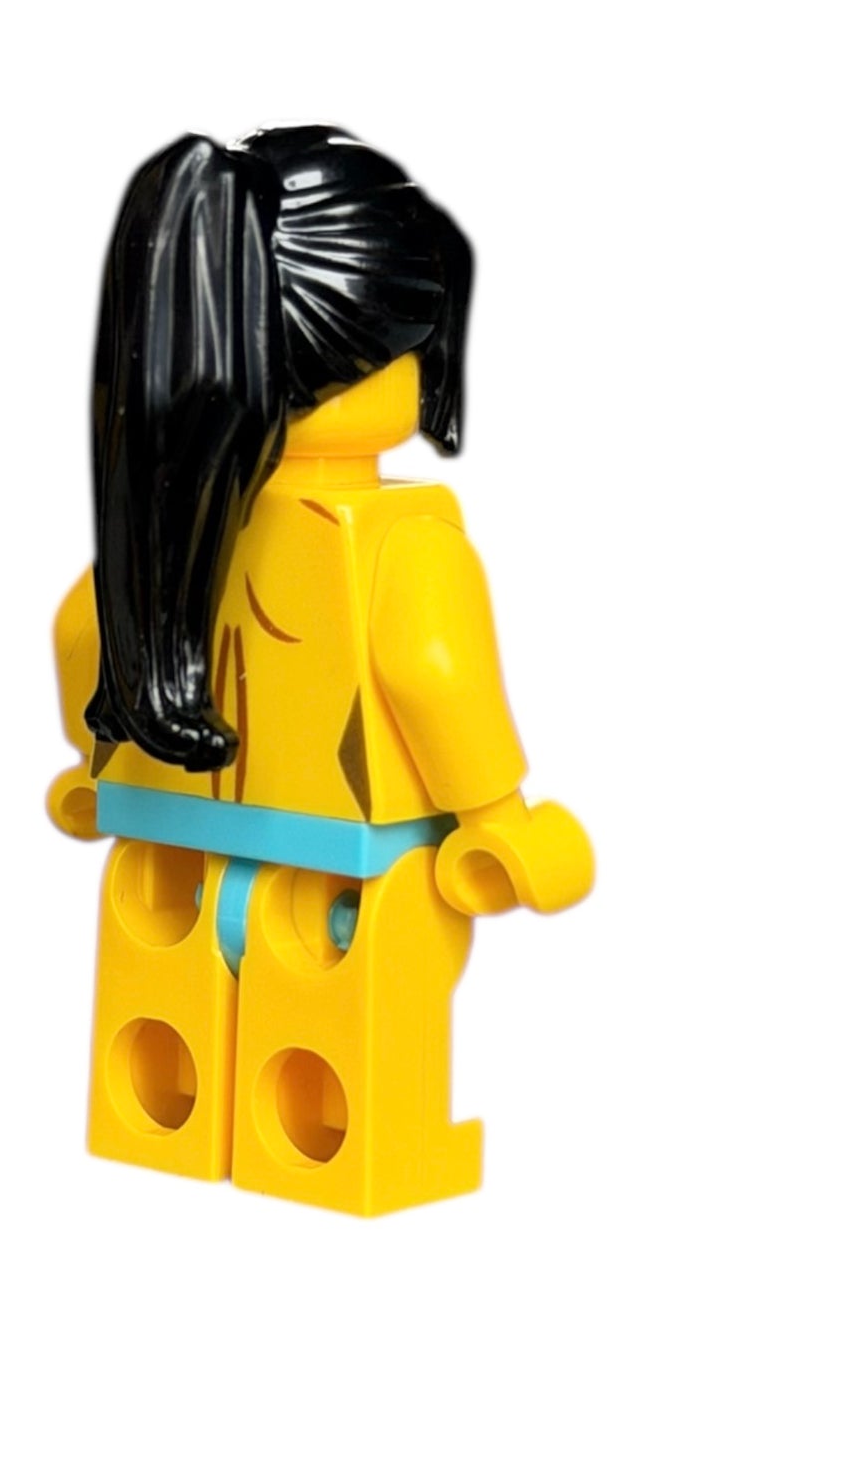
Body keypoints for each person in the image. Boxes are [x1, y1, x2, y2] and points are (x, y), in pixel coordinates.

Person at [47, 127, 594, 1216]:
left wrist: (93, 757)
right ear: (371, 353)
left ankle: (170, 1125)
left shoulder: (170, 525)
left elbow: (82, 635)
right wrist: (502, 819)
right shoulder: (399, 541)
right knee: (337, 1052)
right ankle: (319, 1154)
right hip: (354, 871)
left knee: (173, 1043)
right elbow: (431, 674)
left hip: (168, 852)